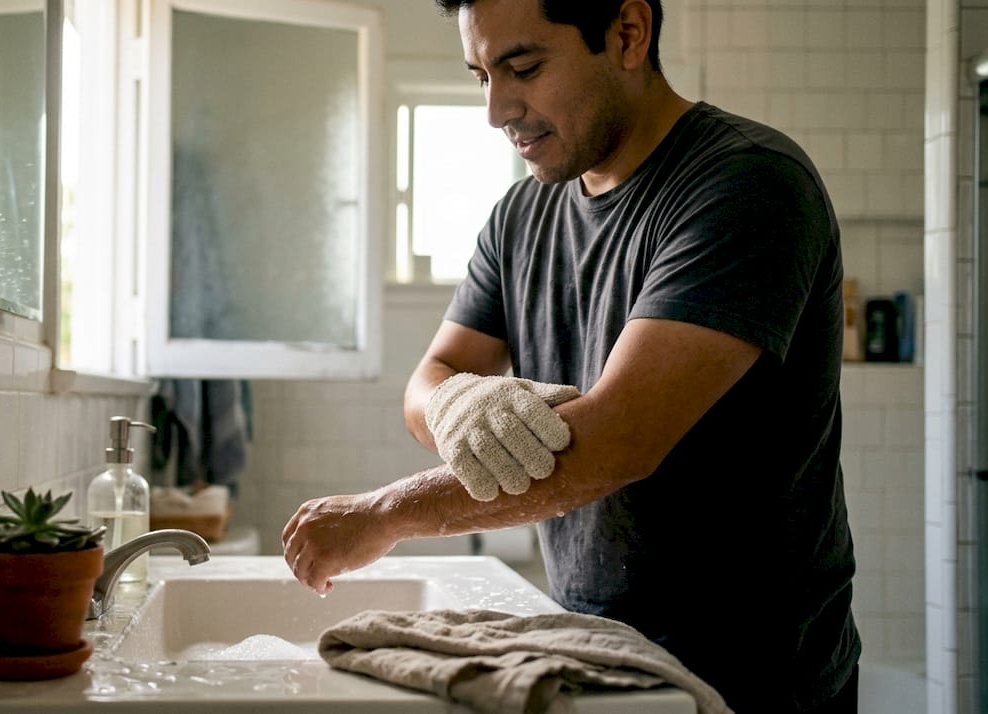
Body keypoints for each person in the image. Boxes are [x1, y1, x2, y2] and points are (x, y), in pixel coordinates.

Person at [281, 0, 860, 712]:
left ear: (627, 33)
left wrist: (386, 513)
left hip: (755, 677)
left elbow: (618, 440)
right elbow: (426, 383)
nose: (497, 109)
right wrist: (465, 404)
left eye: (522, 67)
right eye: (480, 75)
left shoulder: (748, 186)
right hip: (596, 654)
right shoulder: (520, 217)